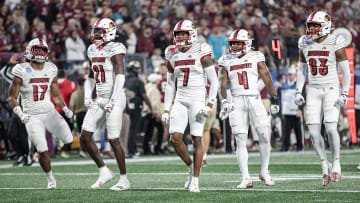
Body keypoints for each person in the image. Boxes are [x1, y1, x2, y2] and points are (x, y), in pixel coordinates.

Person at [8, 38, 74, 188]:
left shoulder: (51, 68)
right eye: (36, 50)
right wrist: (21, 114)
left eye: (41, 50)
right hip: (31, 114)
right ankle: (51, 180)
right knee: (42, 150)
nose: (39, 53)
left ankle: (58, 137)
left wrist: (66, 110)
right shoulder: (21, 69)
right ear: (29, 51)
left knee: (69, 140)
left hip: (49, 110)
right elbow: (11, 97)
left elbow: (56, 95)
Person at [162, 19, 219, 192]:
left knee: (196, 138)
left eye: (183, 34)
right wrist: (166, 108)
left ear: (192, 35)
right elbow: (170, 83)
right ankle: (191, 166)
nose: (180, 37)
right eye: (178, 34)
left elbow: (214, 81)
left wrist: (209, 103)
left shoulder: (201, 50)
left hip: (197, 98)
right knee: (175, 138)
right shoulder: (171, 53)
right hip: (180, 98)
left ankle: (195, 179)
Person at [218, 29, 279, 189]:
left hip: (254, 98)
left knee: (265, 136)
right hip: (236, 100)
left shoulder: (256, 56)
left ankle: (264, 170)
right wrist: (224, 100)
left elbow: (267, 78)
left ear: (247, 43)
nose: (236, 46)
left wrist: (274, 100)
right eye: (233, 43)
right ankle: (246, 178)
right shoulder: (225, 60)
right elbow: (222, 84)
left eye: (239, 43)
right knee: (240, 139)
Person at [295, 11, 350, 187]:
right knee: (312, 132)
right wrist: (298, 91)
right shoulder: (304, 42)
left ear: (325, 26)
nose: (311, 29)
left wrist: (344, 93)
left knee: (332, 128)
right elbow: (301, 70)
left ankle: (337, 162)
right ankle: (324, 165)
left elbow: (345, 70)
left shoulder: (335, 40)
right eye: (309, 25)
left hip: (331, 87)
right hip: (313, 89)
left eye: (315, 25)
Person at [81, 18, 129, 190]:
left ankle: (124, 179)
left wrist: (113, 100)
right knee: (85, 136)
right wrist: (88, 96)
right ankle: (104, 171)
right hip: (100, 98)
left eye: (100, 31)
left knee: (114, 139)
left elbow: (120, 76)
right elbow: (92, 76)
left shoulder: (116, 47)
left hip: (114, 97)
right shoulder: (92, 49)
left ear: (109, 32)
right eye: (96, 31)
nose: (97, 35)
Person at [124, 60, 153, 157]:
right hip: (136, 107)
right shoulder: (138, 81)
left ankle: (126, 149)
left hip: (124, 107)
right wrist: (151, 107)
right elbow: (144, 96)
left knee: (126, 129)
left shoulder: (124, 80)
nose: (139, 70)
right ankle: (132, 150)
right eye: (137, 68)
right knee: (133, 129)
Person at [279, 65, 304, 152]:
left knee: (298, 130)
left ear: (295, 75)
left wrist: (300, 109)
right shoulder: (284, 84)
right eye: (289, 74)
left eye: (291, 74)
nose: (290, 76)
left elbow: (302, 97)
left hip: (295, 111)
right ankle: (285, 147)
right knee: (286, 131)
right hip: (286, 111)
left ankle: (300, 146)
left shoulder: (298, 85)